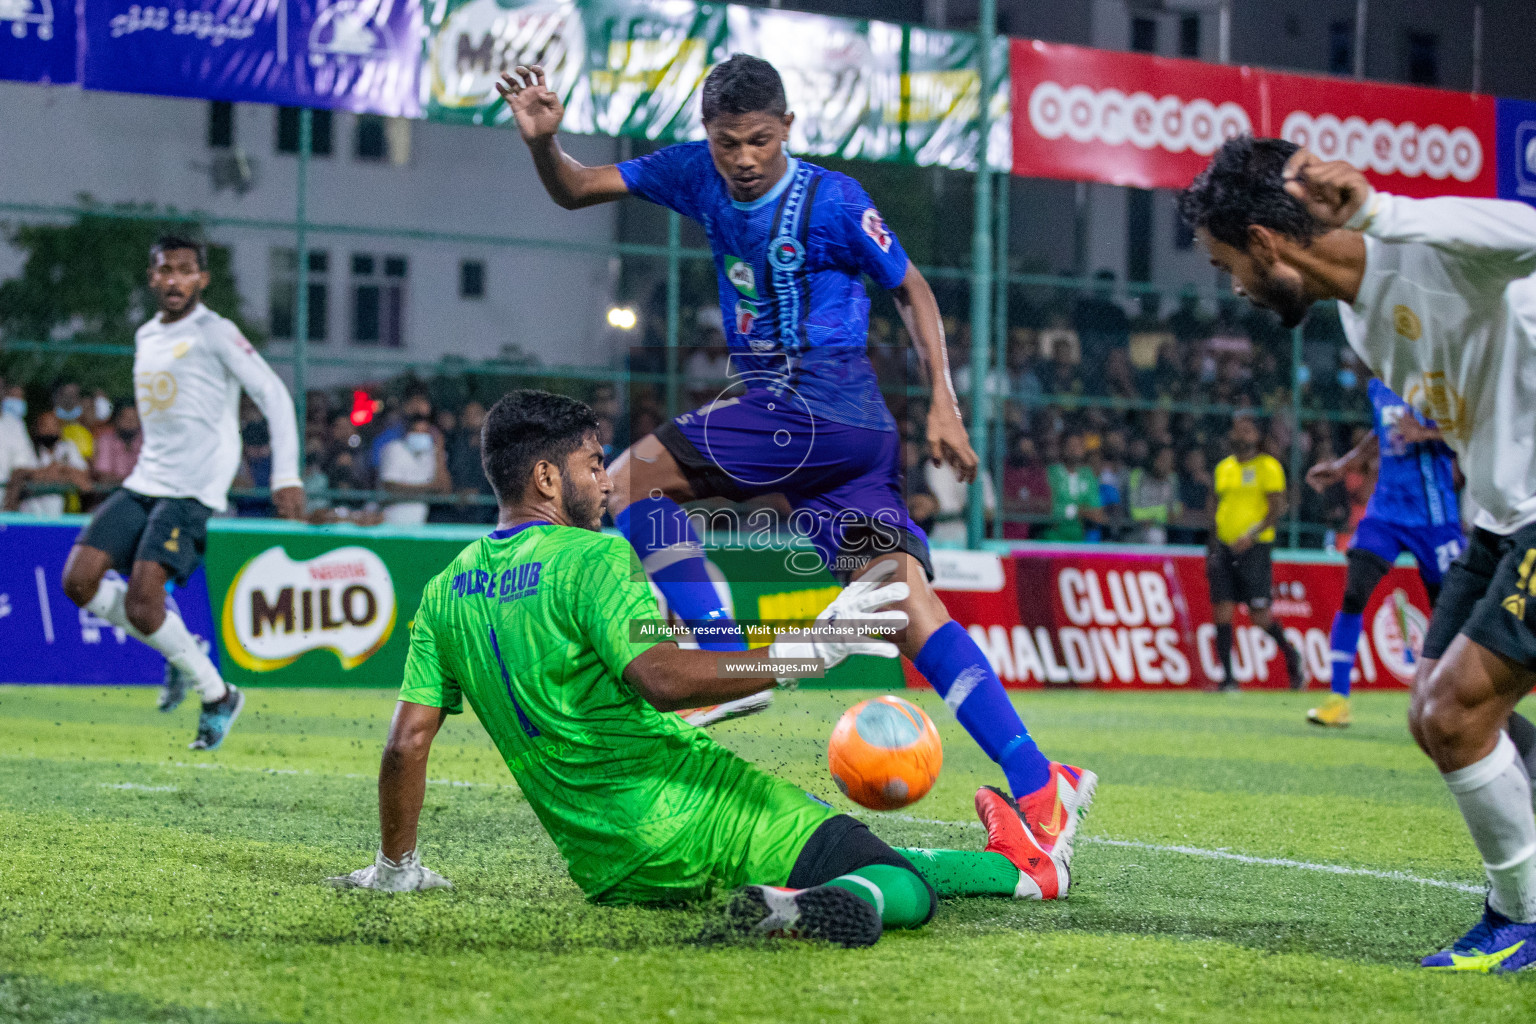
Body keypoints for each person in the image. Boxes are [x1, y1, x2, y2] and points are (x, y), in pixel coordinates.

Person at [498, 56, 1096, 857]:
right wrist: (543, 143)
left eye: (759, 141)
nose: (743, 159)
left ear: (788, 130)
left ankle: (716, 653)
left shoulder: (835, 200)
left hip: (808, 411)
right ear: (706, 136)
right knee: (902, 604)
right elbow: (576, 186)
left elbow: (913, 289)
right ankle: (1037, 781)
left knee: (631, 477)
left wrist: (945, 404)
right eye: (727, 143)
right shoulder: (690, 172)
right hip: (847, 445)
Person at [327, 391, 1071, 945]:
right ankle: (809, 912)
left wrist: (398, 866)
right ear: (549, 480)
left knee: (850, 848)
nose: (606, 482)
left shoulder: (445, 588)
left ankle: (1026, 871)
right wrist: (813, 647)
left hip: (609, 865)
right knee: (897, 882)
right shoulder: (591, 556)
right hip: (693, 812)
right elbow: (663, 676)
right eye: (594, 466)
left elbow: (407, 744)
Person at [1181, 135, 1536, 970]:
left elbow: (1526, 228)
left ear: (1266, 242)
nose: (1232, 284)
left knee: (1455, 715)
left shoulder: (1424, 246)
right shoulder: (1361, 324)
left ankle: (1520, 916)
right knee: (1432, 712)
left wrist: (1380, 211)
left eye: (1225, 262)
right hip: (1499, 519)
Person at [57, 234, 304, 750]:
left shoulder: (216, 331)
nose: (174, 279)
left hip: (194, 488)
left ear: (201, 279)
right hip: (146, 481)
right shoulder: (147, 335)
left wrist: (286, 476)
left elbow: (273, 394)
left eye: (185, 270)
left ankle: (217, 694)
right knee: (78, 581)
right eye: (165, 270)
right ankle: (176, 649)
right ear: (152, 278)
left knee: (146, 607)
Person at [1303, 379, 1463, 727]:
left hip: (1434, 518)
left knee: (1451, 610)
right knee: (1353, 593)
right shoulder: (1380, 384)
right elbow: (1380, 431)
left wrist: (1426, 434)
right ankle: (1338, 700)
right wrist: (1346, 465)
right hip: (1385, 513)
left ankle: (1456, 698)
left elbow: (1470, 432)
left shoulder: (1438, 376)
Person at [1205, 413, 1303, 691]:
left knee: (1259, 616)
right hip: (1224, 548)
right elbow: (1214, 504)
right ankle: (1227, 678)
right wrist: (1212, 545)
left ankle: (1291, 656)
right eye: (1238, 429)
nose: (1242, 434)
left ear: (1257, 436)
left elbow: (1277, 507)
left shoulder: (1268, 467)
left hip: (1255, 549)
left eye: (1248, 430)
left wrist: (1253, 534)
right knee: (1222, 610)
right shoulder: (1223, 467)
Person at [5, 409, 92, 516]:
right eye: (45, 426)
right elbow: (24, 473)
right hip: (30, 516)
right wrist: (63, 473)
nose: (49, 430)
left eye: (53, 426)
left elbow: (83, 477)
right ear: (37, 428)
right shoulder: (30, 447)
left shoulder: (68, 448)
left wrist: (56, 470)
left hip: (61, 518)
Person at [379, 414, 451, 526]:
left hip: (422, 521)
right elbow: (390, 486)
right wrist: (429, 488)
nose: (420, 436)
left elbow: (444, 490)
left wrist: (439, 452)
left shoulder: (434, 453)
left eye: (424, 432)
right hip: (394, 519)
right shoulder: (395, 449)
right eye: (416, 432)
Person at [1041, 432, 1102, 542]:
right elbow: (1051, 507)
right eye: (1070, 445)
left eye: (1078, 446)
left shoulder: (1088, 475)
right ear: (1062, 448)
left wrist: (1074, 509)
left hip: (1080, 537)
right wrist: (1079, 511)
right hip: (1053, 536)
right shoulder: (1051, 473)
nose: (1074, 450)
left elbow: (1094, 509)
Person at [1127, 446, 1183, 545]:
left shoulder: (1172, 479)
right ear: (1154, 460)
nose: (1167, 464)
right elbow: (1135, 512)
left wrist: (1156, 519)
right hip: (1137, 528)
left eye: (1170, 461)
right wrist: (1160, 516)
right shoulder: (1138, 476)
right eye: (1163, 460)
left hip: (1166, 528)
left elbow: (1175, 512)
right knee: (1155, 535)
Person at [93, 403, 142, 488]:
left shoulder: (145, 442)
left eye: (134, 419)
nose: (130, 423)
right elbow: (104, 477)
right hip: (111, 495)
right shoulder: (106, 441)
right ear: (117, 420)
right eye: (126, 418)